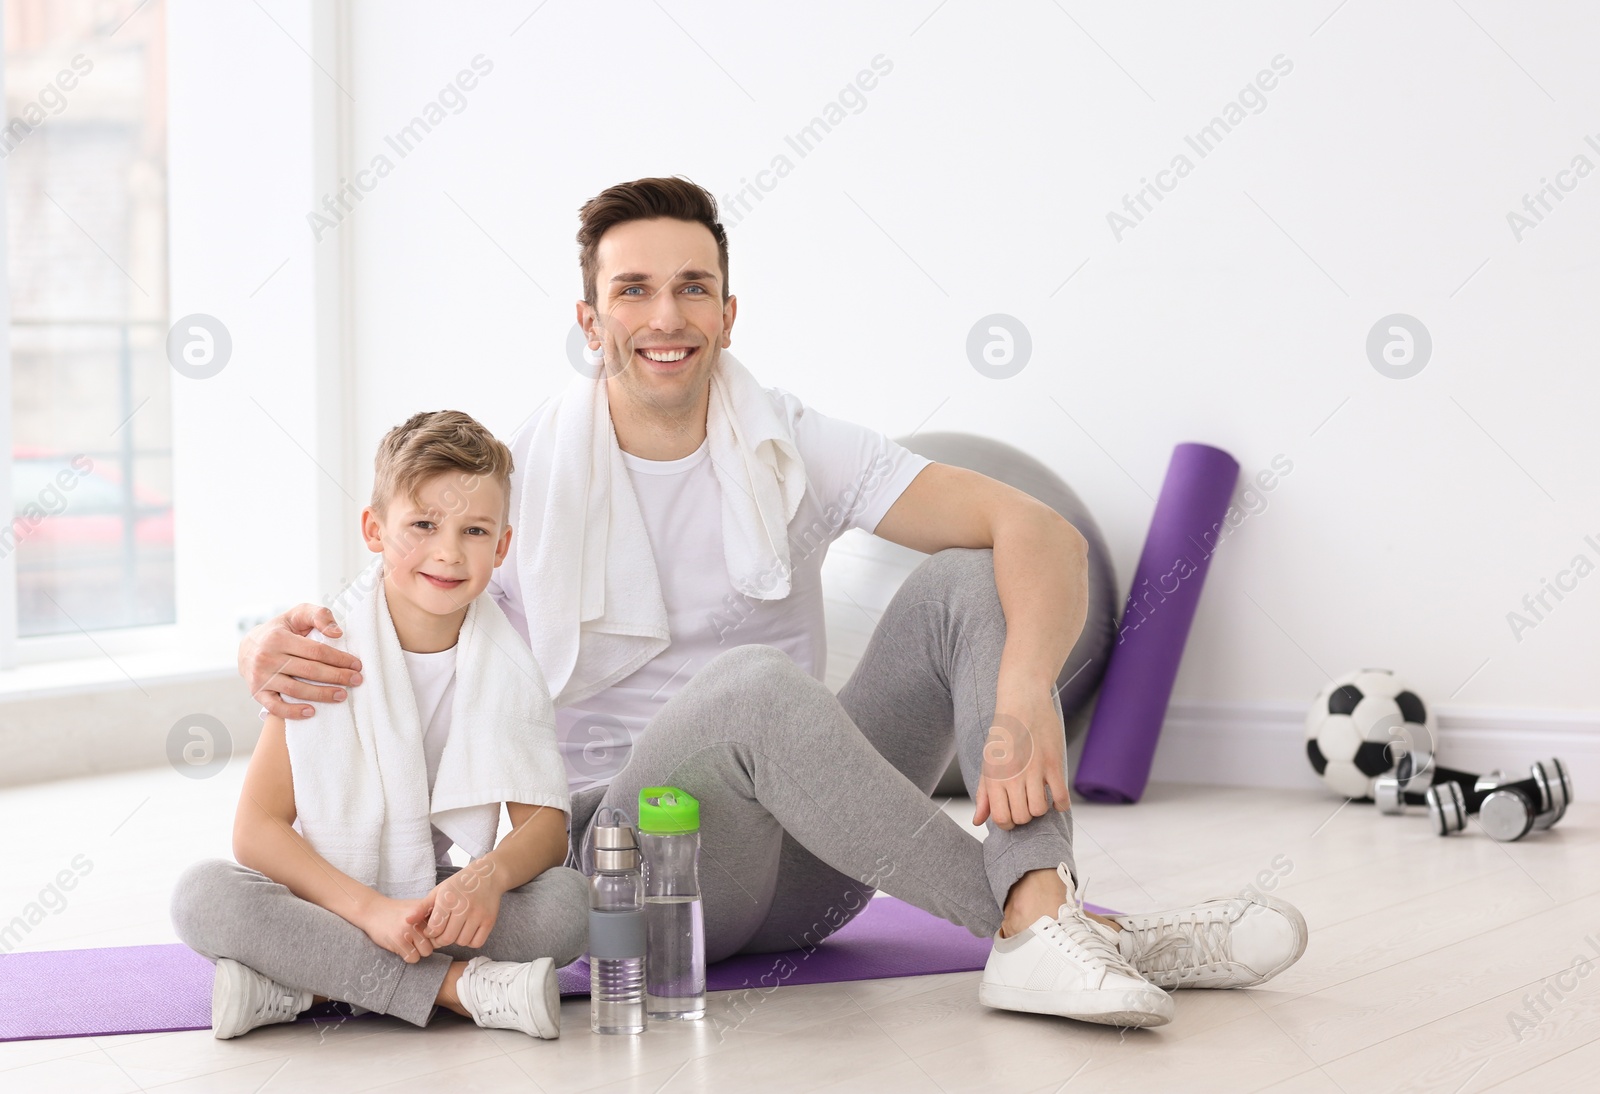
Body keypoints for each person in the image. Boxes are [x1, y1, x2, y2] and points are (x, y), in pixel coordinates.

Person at [239, 177, 1306, 1029]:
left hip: (812, 866)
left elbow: (1042, 532)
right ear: (589, 317)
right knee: (750, 687)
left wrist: (1025, 686)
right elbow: (381, 607)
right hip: (635, 863)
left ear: (728, 310)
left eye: (693, 287)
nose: (666, 316)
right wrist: (258, 653)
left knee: (967, 578)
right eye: (633, 289)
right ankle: (1062, 921)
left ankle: (1041, 913)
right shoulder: (525, 486)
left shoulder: (791, 441)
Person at [174, 411, 587, 1040]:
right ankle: (457, 990)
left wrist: (484, 880)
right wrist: (370, 913)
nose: (448, 552)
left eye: (475, 530)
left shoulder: (508, 666)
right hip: (332, 893)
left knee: (567, 905)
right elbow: (256, 830)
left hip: (424, 893)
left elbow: (547, 830)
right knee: (203, 894)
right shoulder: (324, 652)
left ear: (502, 546)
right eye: (423, 525)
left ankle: (300, 984)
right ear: (374, 529)